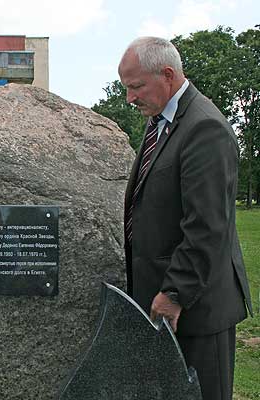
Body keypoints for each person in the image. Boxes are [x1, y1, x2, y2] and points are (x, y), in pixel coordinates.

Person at [119, 36, 253, 400]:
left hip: (196, 310)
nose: (130, 98)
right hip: (167, 304)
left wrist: (175, 293)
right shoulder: (161, 120)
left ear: (167, 74)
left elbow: (207, 226)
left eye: (135, 87)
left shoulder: (204, 127)